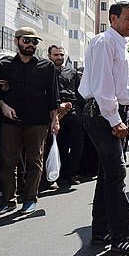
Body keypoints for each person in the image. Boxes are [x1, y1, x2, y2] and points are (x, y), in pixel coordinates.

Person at [79, 1, 129, 255]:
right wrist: (114, 119)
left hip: (113, 113)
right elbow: (102, 87)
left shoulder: (122, 46)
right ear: (113, 18)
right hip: (100, 114)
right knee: (117, 173)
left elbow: (124, 90)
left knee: (107, 175)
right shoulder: (103, 42)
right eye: (128, 19)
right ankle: (123, 235)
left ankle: (101, 231)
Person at [0, 28, 60, 215]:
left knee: (35, 161)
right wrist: (3, 106)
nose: (31, 44)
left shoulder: (47, 66)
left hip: (38, 122)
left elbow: (54, 96)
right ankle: (8, 200)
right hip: (11, 121)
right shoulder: (5, 65)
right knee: (8, 162)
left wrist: (55, 120)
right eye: (27, 40)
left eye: (35, 42)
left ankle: (30, 199)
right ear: (17, 41)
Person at [47, 45, 84, 188]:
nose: (59, 58)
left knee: (77, 144)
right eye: (56, 55)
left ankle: (71, 174)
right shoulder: (45, 71)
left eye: (61, 55)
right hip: (55, 113)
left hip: (73, 112)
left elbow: (80, 92)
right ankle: (58, 176)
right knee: (58, 145)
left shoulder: (72, 72)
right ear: (50, 56)